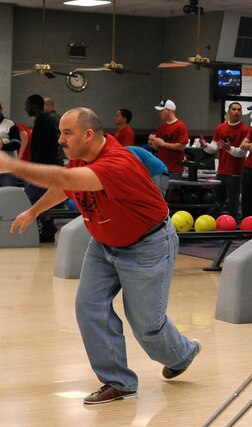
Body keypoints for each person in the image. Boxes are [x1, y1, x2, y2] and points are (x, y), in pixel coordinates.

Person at [0, 107, 199, 405]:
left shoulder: (117, 163)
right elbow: (64, 184)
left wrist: (12, 165)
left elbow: (61, 176)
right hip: (104, 243)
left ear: (88, 134)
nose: (60, 140)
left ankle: (182, 353)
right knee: (88, 307)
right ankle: (118, 381)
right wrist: (33, 211)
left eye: (67, 133)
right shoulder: (81, 157)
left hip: (147, 246)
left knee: (146, 325)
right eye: (60, 133)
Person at [199, 102, 249, 218]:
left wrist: (229, 148)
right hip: (221, 172)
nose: (236, 112)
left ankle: (233, 228)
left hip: (235, 173)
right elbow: (213, 148)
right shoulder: (220, 128)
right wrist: (205, 145)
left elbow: (242, 153)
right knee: (217, 203)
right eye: (234, 109)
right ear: (228, 111)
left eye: (239, 110)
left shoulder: (244, 129)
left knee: (233, 205)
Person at [24, 94, 60, 242]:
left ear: (34, 105)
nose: (25, 108)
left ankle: (47, 230)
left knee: (34, 197)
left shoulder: (43, 122)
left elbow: (41, 149)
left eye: (27, 104)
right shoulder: (43, 121)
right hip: (44, 168)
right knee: (39, 198)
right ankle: (47, 230)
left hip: (43, 170)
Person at [148, 99, 189, 179]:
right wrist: (153, 142)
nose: (159, 113)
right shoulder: (161, 127)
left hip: (174, 169)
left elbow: (181, 147)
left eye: (161, 111)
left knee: (172, 190)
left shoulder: (180, 126)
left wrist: (163, 144)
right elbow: (158, 147)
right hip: (161, 167)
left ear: (169, 111)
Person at [0, 101, 22, 186]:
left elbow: (17, 142)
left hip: (7, 169)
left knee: (8, 194)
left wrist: (3, 146)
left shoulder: (9, 124)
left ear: (1, 110)